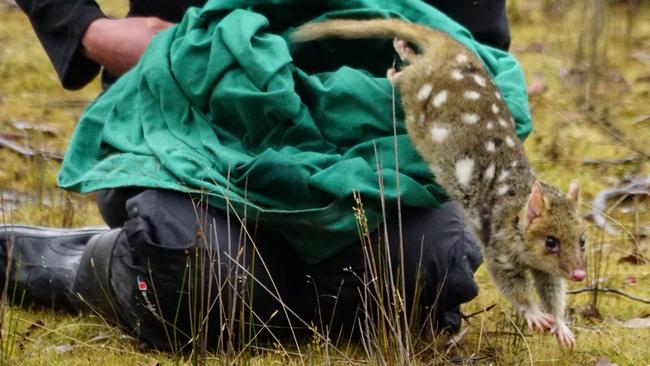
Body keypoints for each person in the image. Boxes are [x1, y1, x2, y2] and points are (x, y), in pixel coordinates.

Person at [2, 0, 517, 351]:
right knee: (196, 274)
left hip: (374, 157)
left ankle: (268, 282)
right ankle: (82, 264)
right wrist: (84, 27)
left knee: (425, 271)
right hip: (183, 130)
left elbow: (475, 53)